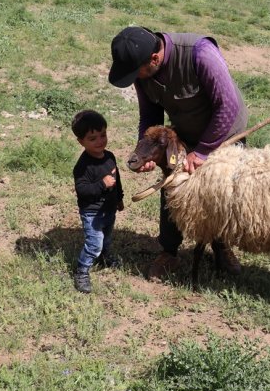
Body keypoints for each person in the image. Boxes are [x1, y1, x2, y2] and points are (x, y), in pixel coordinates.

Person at [108, 26, 248, 280]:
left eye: (135, 72)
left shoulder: (200, 54)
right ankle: (169, 251)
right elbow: (149, 116)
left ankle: (221, 245)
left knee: (221, 193)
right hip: (186, 132)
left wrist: (203, 151)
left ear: (154, 59)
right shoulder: (143, 73)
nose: (134, 78)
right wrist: (147, 152)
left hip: (225, 132)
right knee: (173, 185)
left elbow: (228, 106)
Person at [71, 110, 125, 293]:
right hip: (92, 212)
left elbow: (117, 179)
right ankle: (82, 270)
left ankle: (105, 257)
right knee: (94, 244)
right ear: (81, 142)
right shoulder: (83, 166)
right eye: (92, 139)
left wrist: (119, 198)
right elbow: (82, 190)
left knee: (107, 238)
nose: (100, 141)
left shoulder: (110, 157)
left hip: (109, 209)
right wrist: (102, 184)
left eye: (103, 135)